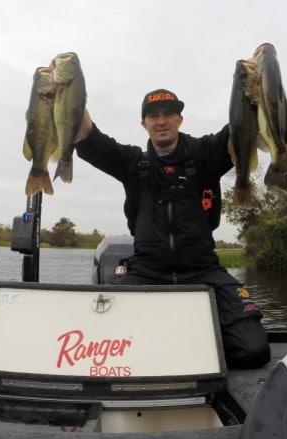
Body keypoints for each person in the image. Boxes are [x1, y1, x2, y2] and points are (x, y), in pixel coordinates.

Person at [74, 88, 270, 369]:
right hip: (145, 272)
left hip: (204, 271)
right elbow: (89, 138)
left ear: (180, 119)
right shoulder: (132, 162)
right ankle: (180, 345)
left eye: (168, 114)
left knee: (254, 350)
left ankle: (174, 347)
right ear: (144, 124)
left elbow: (242, 123)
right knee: (101, 347)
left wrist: (254, 87)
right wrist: (68, 94)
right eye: (153, 115)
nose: (161, 120)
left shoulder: (206, 154)